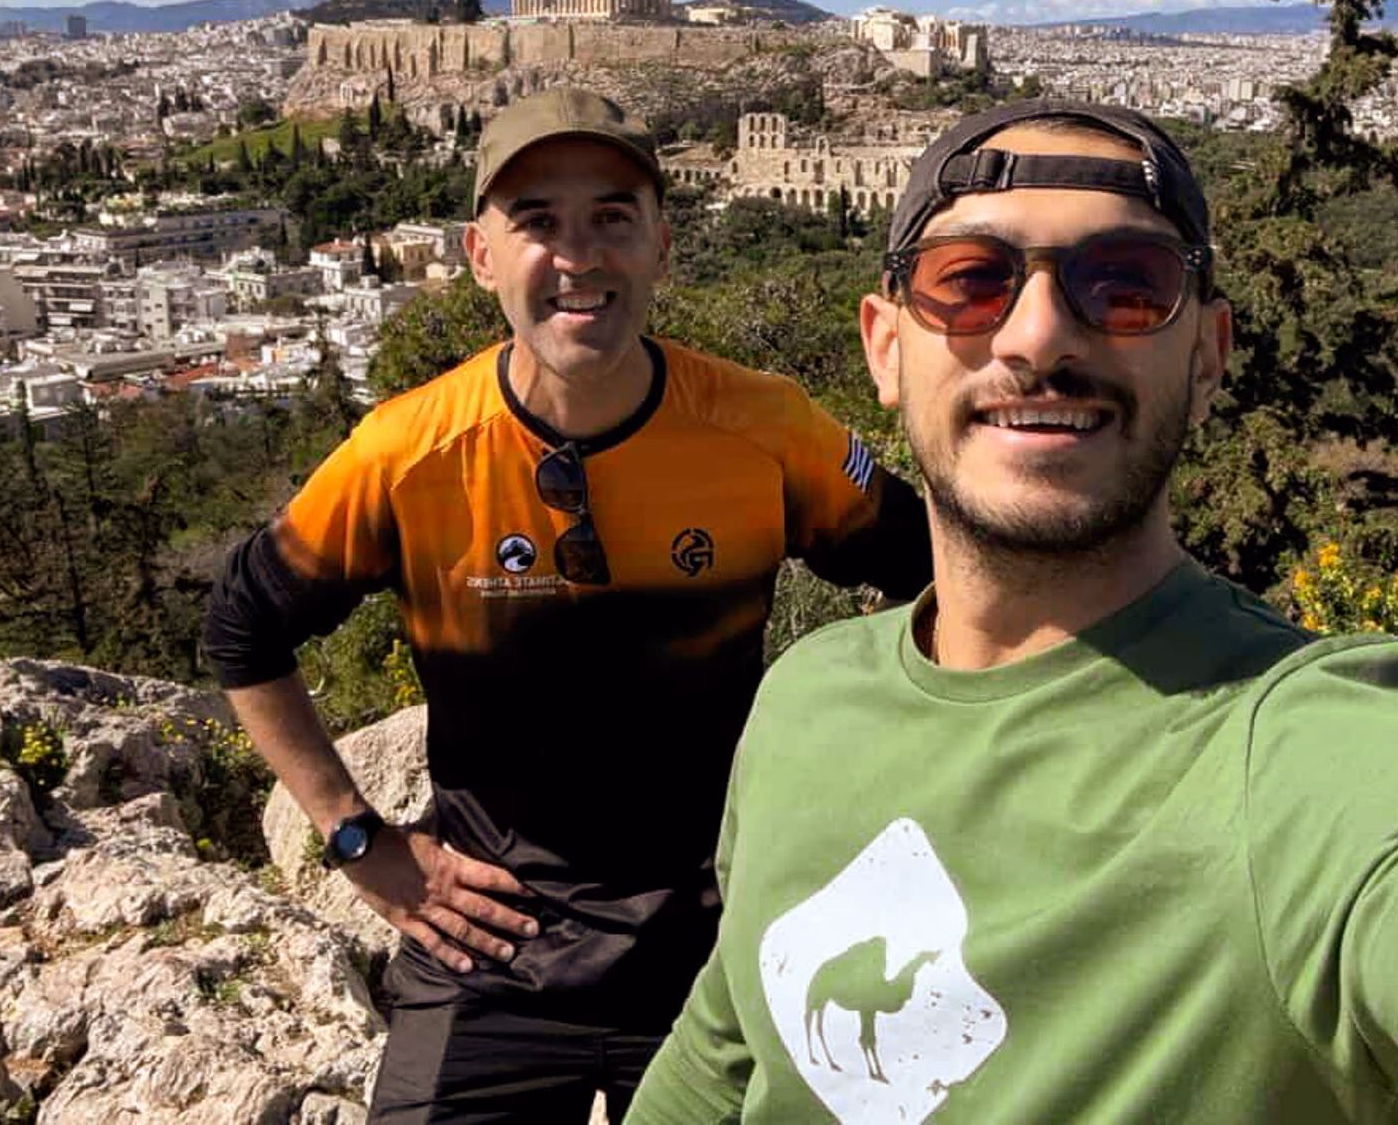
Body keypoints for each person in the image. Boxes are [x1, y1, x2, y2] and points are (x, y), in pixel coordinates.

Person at [627, 99, 1398, 1124]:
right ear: (882, 347)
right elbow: (730, 1041)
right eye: (970, 281)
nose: (1037, 337)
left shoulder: (1312, 752)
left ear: (1205, 356)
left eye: (1124, 284)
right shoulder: (807, 696)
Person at [202, 87, 934, 1123]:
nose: (577, 255)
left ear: (661, 248)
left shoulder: (763, 429)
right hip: (490, 949)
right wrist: (362, 844)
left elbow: (941, 576)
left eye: (611, 219)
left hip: (718, 942)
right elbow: (243, 625)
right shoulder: (411, 453)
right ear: (480, 255)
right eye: (537, 221)